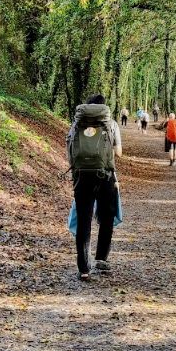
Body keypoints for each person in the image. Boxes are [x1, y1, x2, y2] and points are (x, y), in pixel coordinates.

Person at [66, 94, 122, 281]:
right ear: (103, 108)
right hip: (105, 176)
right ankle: (101, 258)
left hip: (82, 177)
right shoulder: (111, 124)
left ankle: (83, 268)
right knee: (106, 217)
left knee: (84, 220)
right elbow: (119, 153)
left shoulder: (76, 124)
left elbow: (70, 151)